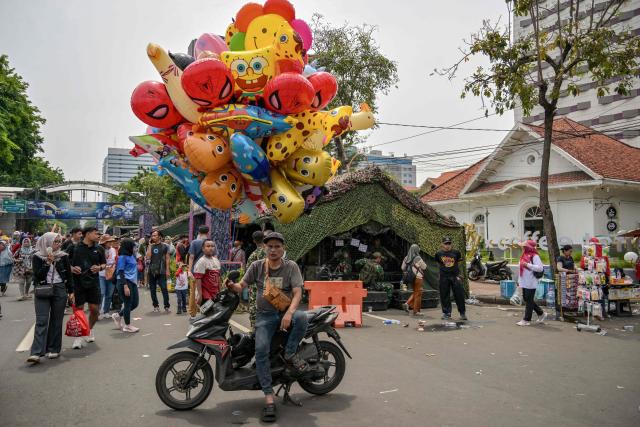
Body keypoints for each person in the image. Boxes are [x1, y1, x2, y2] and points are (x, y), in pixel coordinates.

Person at [229, 232, 308, 423]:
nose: (273, 250)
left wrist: (289, 313)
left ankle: (290, 353)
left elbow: (298, 293)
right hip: (264, 317)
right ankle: (269, 398)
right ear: (264, 248)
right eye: (269, 246)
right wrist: (232, 286)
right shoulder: (257, 266)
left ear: (283, 248)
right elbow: (242, 285)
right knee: (261, 350)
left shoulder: (291, 267)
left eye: (277, 246)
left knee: (302, 317)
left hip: (284, 312)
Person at [27, 232, 74, 363]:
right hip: (43, 288)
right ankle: (36, 352)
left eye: (59, 241)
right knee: (41, 320)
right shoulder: (37, 256)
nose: (58, 244)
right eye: (56, 241)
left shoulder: (63, 256)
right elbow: (38, 276)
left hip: (59, 289)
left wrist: (71, 291)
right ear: (47, 242)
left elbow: (69, 275)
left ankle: (54, 349)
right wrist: (47, 262)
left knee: (56, 320)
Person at [68, 226, 106, 348]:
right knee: (79, 310)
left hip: (94, 283)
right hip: (78, 283)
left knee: (95, 310)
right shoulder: (74, 247)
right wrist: (72, 268)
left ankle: (89, 329)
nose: (98, 236)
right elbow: (64, 262)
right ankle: (78, 337)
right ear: (88, 234)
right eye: (96, 234)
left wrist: (99, 268)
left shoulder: (99, 248)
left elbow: (104, 264)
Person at [435, 236, 467, 321]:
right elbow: (438, 264)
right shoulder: (438, 254)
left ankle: (462, 313)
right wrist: (440, 275)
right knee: (444, 295)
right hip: (444, 277)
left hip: (455, 276)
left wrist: (459, 275)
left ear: (451, 244)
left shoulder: (456, 253)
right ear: (442, 244)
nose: (447, 245)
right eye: (446, 243)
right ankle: (447, 313)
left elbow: (459, 264)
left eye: (449, 243)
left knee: (459, 295)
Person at [112, 238, 140, 332]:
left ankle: (118, 315)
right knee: (128, 304)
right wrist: (125, 286)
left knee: (135, 303)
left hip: (133, 282)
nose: (135, 248)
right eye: (133, 246)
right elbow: (120, 271)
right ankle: (127, 326)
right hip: (124, 282)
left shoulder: (132, 255)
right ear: (128, 247)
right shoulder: (122, 257)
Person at [517, 240, 546, 326]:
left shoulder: (535, 256)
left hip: (531, 281)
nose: (523, 248)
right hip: (524, 281)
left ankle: (526, 320)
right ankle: (541, 313)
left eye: (524, 246)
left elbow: (540, 268)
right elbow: (521, 269)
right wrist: (519, 281)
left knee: (529, 301)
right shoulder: (524, 255)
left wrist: (528, 265)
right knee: (527, 299)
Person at [146, 229, 171, 313]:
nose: (153, 237)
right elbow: (148, 257)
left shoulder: (165, 246)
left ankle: (166, 306)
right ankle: (155, 306)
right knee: (152, 289)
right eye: (152, 236)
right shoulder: (151, 246)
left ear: (160, 236)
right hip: (152, 270)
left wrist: (167, 270)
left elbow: (167, 258)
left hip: (162, 271)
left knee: (164, 288)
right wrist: (149, 245)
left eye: (155, 235)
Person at [246, 230, 267, 330]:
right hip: (269, 287)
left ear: (254, 241)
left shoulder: (254, 255)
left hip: (256, 287)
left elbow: (248, 274)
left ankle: (255, 331)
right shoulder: (271, 253)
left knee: (255, 309)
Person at [402, 244, 428, 316]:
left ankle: (407, 304)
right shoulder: (418, 258)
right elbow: (425, 267)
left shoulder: (406, 258)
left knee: (416, 292)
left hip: (411, 278)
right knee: (418, 294)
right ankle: (416, 311)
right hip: (418, 278)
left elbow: (402, 268)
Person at [193, 240, 221, 305]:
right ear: (203, 248)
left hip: (215, 293)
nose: (210, 248)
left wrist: (220, 291)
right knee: (208, 314)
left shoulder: (216, 260)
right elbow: (198, 279)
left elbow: (218, 277)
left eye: (212, 246)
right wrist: (199, 295)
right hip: (205, 294)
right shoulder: (201, 261)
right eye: (208, 246)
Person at [98, 234, 117, 319]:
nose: (110, 243)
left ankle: (106, 311)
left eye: (111, 241)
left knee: (109, 294)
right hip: (101, 274)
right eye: (108, 242)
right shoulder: (99, 250)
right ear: (104, 242)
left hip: (111, 274)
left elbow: (113, 260)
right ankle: (97, 312)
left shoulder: (113, 250)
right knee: (101, 293)